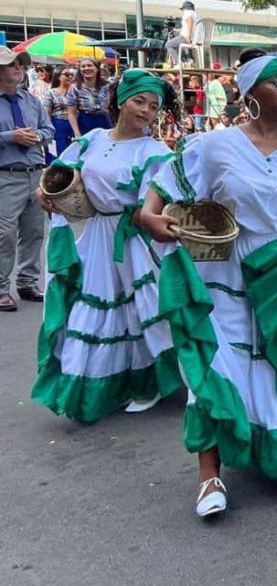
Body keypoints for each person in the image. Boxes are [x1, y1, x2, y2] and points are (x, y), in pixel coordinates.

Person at [137, 52, 277, 518]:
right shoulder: (214, 147)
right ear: (249, 93)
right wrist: (151, 218)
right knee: (221, 364)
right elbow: (162, 190)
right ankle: (209, 476)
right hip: (228, 270)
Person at [32, 70, 179, 421]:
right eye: (139, 101)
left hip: (133, 240)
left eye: (153, 106)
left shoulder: (156, 152)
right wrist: (45, 192)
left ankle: (148, 382)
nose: (146, 111)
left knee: (142, 309)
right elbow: (61, 170)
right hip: (97, 236)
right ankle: (105, 385)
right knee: (95, 308)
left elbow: (151, 204)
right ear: (119, 101)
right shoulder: (94, 139)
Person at [0, 46, 54, 312]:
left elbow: (49, 128)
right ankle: (0, 287)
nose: (19, 68)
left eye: (20, 64)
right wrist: (12, 137)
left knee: (34, 231)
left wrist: (38, 136)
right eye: (12, 64)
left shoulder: (30, 100)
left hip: (34, 172)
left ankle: (27, 282)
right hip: (6, 176)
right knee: (5, 234)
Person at [67, 58, 111, 136]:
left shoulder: (108, 86)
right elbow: (71, 113)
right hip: (86, 122)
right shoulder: (75, 88)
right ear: (80, 70)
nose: (86, 68)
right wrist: (76, 132)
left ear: (97, 69)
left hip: (105, 120)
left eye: (89, 66)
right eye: (83, 66)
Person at [42, 66, 76, 155]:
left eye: (71, 75)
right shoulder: (51, 93)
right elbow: (47, 114)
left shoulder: (75, 92)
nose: (70, 77)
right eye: (67, 75)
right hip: (58, 126)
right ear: (58, 76)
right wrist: (49, 131)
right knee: (58, 154)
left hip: (75, 126)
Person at [165, 1, 199, 67]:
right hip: (195, 38)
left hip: (186, 37)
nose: (182, 11)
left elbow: (190, 22)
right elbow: (188, 27)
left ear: (185, 9)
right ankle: (190, 60)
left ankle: (179, 63)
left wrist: (188, 37)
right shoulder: (195, 14)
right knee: (180, 43)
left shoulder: (188, 13)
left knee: (168, 44)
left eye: (182, 10)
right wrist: (175, 30)